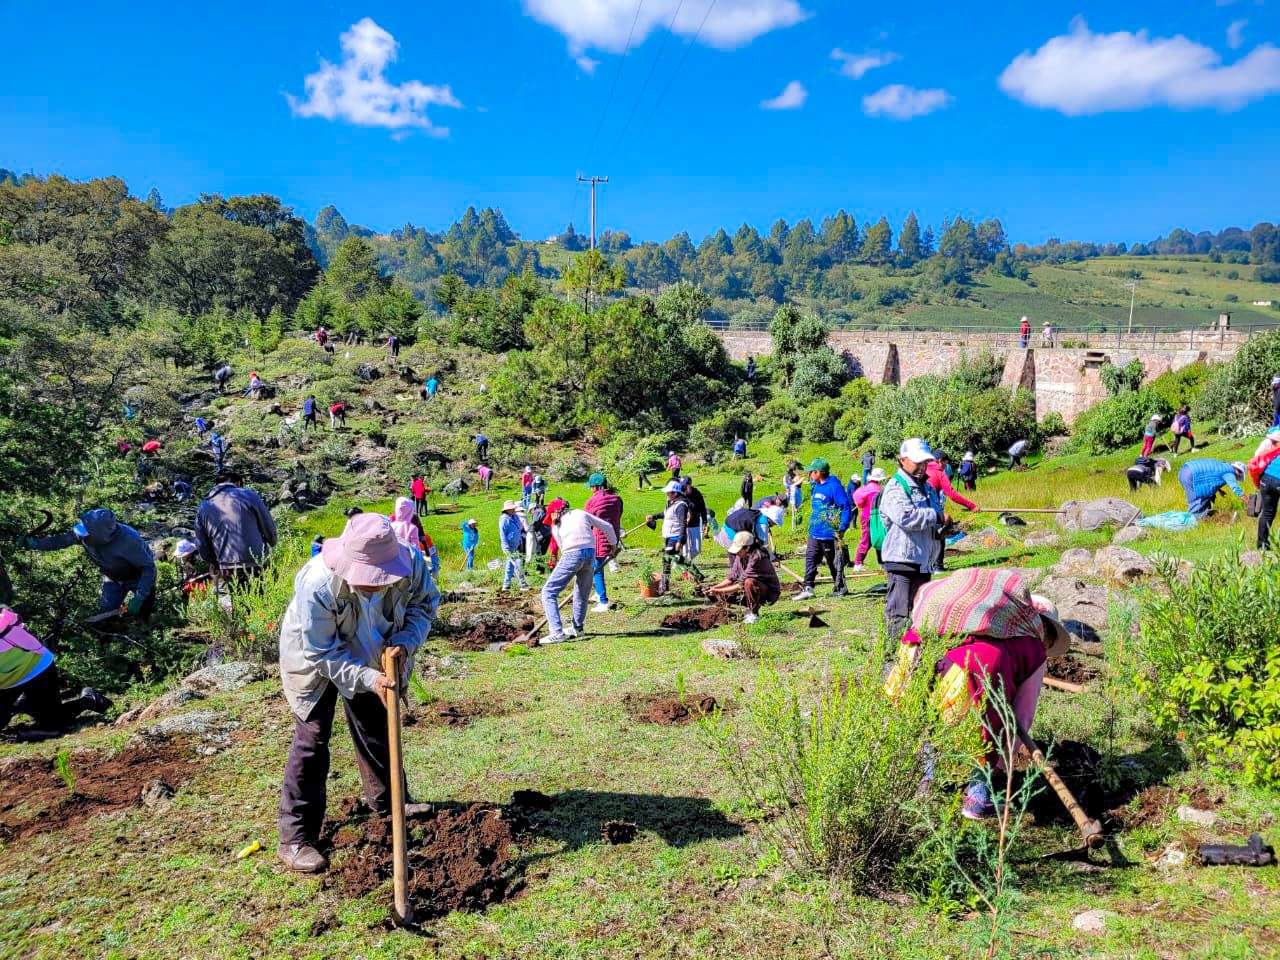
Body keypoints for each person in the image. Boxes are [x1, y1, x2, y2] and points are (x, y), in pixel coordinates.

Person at [276, 513, 439, 873]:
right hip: (313, 654)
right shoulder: (318, 584)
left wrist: (406, 642)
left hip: (375, 649)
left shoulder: (411, 564)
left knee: (376, 722)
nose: (373, 585)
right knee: (312, 737)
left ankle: (390, 803)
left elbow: (423, 605)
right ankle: (295, 838)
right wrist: (368, 678)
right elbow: (321, 652)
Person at [884, 568, 1070, 820]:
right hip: (968, 677)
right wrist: (1004, 762)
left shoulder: (981, 623)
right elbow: (1022, 716)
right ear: (1044, 628)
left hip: (916, 656)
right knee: (991, 723)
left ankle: (926, 781)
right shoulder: (1033, 648)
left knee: (927, 718)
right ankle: (978, 798)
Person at [25, 508, 157, 619]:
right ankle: (108, 640)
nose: (81, 535)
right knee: (106, 614)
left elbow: (148, 568)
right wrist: (35, 544)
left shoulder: (129, 541)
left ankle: (144, 636)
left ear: (101, 535)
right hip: (112, 578)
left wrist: (140, 596)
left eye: (86, 533)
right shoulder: (84, 532)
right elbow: (61, 540)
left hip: (138, 578)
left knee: (142, 613)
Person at [0, 606, 111, 734]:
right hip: (8, 679)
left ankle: (89, 699)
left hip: (36, 668)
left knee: (52, 723)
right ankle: (25, 704)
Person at [879, 439, 945, 640]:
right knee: (899, 615)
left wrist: (944, 527)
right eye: (917, 461)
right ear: (902, 460)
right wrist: (937, 516)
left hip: (923, 561)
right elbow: (905, 517)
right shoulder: (895, 487)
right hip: (902, 561)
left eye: (925, 461)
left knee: (919, 614)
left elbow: (932, 518)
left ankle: (914, 658)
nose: (922, 465)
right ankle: (891, 659)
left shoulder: (927, 487)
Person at [540, 498, 618, 644]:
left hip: (572, 554)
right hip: (590, 553)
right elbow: (607, 526)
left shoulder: (557, 525)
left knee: (548, 591)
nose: (550, 519)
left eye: (550, 515)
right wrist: (613, 547)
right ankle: (578, 628)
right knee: (582, 592)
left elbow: (563, 548)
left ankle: (557, 632)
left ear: (555, 512)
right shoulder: (581, 514)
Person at [195, 477, 279, 581]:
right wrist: (272, 542)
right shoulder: (249, 495)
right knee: (270, 593)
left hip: (228, 568)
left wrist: (213, 562)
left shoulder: (203, 507)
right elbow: (268, 526)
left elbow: (201, 544)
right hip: (257, 560)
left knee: (240, 596)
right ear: (238, 483)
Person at [794, 458, 852, 601]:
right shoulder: (817, 485)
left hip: (829, 533)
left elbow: (846, 508)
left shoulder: (834, 487)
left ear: (818, 472)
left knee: (833, 562)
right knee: (811, 559)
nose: (809, 474)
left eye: (811, 472)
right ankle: (808, 588)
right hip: (814, 532)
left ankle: (840, 587)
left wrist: (843, 527)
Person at [707, 530, 781, 625]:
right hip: (754, 588)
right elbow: (731, 577)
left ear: (747, 548)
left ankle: (754, 614)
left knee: (749, 582)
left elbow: (740, 585)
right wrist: (715, 587)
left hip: (769, 593)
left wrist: (718, 591)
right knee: (724, 592)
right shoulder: (740, 556)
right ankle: (746, 610)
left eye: (738, 550)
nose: (736, 553)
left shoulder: (757, 558)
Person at [646, 482, 705, 594]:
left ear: (675, 493)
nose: (667, 494)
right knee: (678, 559)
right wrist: (654, 516)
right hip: (668, 535)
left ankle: (664, 587)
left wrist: (680, 540)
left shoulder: (681, 506)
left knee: (666, 560)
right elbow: (666, 515)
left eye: (668, 492)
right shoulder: (670, 503)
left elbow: (683, 523)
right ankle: (698, 575)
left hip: (675, 536)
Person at [584, 474, 623, 612]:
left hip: (599, 539)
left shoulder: (593, 501)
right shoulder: (617, 499)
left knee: (597, 570)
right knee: (598, 568)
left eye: (592, 487)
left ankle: (603, 601)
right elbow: (619, 515)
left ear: (597, 487)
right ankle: (598, 593)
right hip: (613, 537)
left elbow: (586, 521)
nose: (591, 490)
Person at [1178, 458, 1246, 518]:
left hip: (1184, 470)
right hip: (1192, 475)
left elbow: (1211, 477)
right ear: (1235, 469)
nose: (1238, 475)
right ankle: (1193, 521)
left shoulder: (1223, 465)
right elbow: (1236, 488)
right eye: (1239, 472)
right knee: (1198, 503)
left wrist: (1219, 490)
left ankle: (1201, 515)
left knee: (1203, 497)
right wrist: (1247, 501)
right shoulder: (1229, 472)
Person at [852, 467, 886, 570]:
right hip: (873, 518)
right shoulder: (876, 490)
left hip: (865, 516)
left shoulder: (866, 488)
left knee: (873, 539)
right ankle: (858, 563)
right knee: (875, 539)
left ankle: (861, 562)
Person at [1252, 428, 1280, 549]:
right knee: (1268, 513)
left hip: (1266, 478)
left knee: (1267, 513)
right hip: (1278, 479)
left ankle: (1262, 545)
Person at [498, 501, 531, 591]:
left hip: (516, 544)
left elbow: (520, 528)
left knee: (510, 565)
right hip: (509, 546)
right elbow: (502, 534)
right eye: (512, 508)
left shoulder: (515, 516)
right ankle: (522, 584)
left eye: (514, 508)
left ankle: (506, 585)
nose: (514, 509)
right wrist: (506, 548)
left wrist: (519, 540)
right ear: (507, 510)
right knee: (518, 563)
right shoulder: (504, 519)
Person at [681, 476, 709, 562]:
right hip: (683, 525)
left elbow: (703, 508)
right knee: (685, 551)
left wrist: (704, 521)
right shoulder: (680, 493)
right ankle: (684, 567)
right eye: (682, 486)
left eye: (685, 486)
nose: (684, 488)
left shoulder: (697, 493)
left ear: (690, 485)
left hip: (695, 524)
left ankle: (685, 562)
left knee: (697, 549)